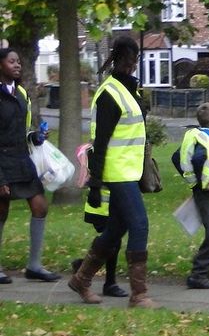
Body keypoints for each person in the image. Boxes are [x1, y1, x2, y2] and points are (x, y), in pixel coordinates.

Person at [68, 36, 156, 308]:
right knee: (139, 225)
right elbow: (101, 142)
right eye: (131, 59)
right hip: (117, 172)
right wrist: (94, 183)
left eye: (135, 59)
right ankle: (139, 295)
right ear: (121, 60)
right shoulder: (109, 93)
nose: (134, 64)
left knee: (115, 230)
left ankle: (81, 280)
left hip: (128, 171)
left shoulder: (127, 90)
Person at [0, 47, 60, 283]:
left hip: (22, 159)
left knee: (40, 206)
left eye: (18, 62)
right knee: (1, 211)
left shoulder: (21, 93)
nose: (17, 65)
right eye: (12, 61)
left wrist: (34, 136)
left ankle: (34, 266)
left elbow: (22, 127)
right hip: (2, 161)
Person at [172, 102, 209, 290]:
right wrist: (203, 182)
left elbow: (176, 157)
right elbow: (198, 159)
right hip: (208, 194)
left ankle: (203, 265)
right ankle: (199, 274)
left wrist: (191, 178)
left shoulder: (198, 137)